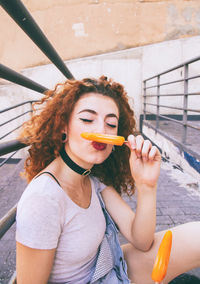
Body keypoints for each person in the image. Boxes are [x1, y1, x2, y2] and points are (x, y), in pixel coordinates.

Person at [16, 76, 200, 284]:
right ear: (63, 127)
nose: (101, 131)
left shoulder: (93, 181)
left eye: (111, 123)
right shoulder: (43, 199)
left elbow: (142, 240)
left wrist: (146, 185)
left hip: (112, 272)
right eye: (87, 120)